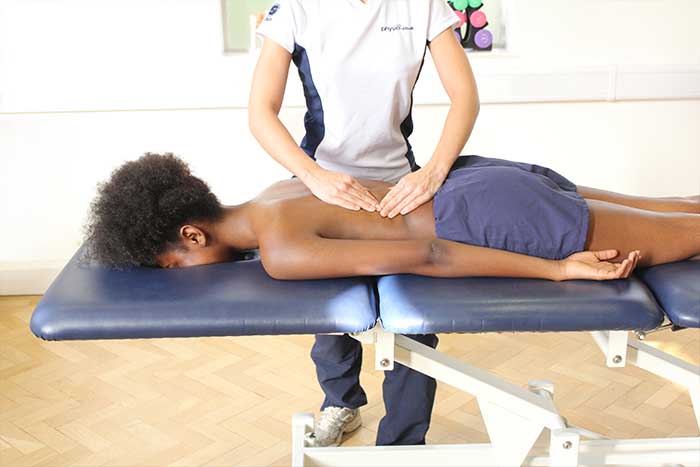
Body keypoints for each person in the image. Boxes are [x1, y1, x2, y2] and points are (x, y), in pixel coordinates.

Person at [248, 0, 480, 446]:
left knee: (413, 313)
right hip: (323, 182)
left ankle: (405, 441)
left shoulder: (424, 5)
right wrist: (315, 178)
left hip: (398, 180)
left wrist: (432, 173)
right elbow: (261, 111)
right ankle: (341, 402)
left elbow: (465, 97)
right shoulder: (296, 9)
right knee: (331, 304)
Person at [87, 152, 700, 282]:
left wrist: (557, 272)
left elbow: (430, 254)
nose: (186, 270)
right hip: (476, 176)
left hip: (484, 212)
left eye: (177, 262)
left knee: (690, 232)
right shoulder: (281, 186)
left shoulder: (282, 251)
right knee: (681, 210)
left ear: (191, 233)